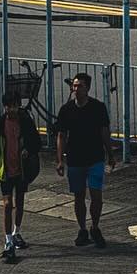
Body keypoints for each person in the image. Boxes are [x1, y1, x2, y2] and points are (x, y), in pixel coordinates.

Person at [55, 70, 116, 249]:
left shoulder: (98, 107)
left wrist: (110, 155)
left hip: (95, 158)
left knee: (96, 196)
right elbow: (61, 135)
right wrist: (60, 159)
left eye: (79, 86)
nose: (76, 89)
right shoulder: (66, 110)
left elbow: (104, 132)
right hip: (75, 159)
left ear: (87, 88)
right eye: (74, 86)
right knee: (79, 196)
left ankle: (95, 226)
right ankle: (82, 229)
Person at [0, 88, 41, 263]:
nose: (11, 110)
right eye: (8, 107)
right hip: (6, 170)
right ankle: (8, 240)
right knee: (8, 204)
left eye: (14, 106)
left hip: (22, 169)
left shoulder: (26, 122)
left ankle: (17, 232)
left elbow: (36, 143)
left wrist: (28, 150)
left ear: (19, 106)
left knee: (21, 201)